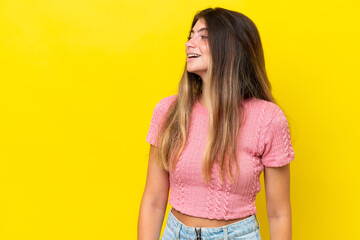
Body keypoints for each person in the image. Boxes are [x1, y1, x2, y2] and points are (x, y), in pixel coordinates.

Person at [138, 7, 295, 240]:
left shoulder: (268, 119)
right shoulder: (169, 112)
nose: (189, 43)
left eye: (203, 36)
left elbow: (279, 213)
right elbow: (153, 201)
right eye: (190, 35)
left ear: (231, 48)